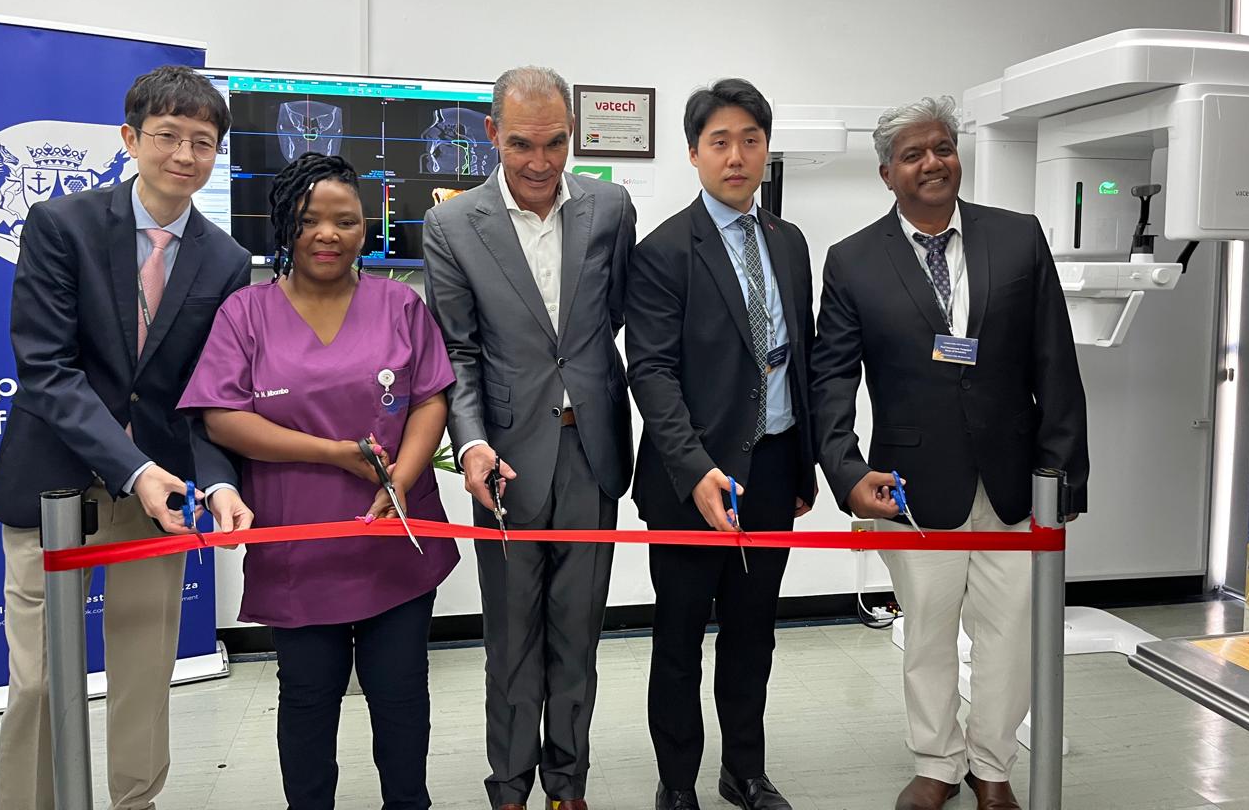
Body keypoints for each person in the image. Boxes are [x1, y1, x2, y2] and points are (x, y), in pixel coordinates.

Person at [0, 65, 254, 810]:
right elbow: (46, 369)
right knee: (39, 679)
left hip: (161, 500)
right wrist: (134, 468)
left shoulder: (228, 262)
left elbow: (209, 396)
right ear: (130, 138)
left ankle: (136, 802)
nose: (184, 154)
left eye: (202, 141)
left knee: (143, 674)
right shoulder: (60, 225)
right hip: (55, 486)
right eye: (167, 135)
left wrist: (222, 481)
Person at [810, 96, 1089, 810]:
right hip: (909, 485)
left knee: (1010, 638)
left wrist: (1064, 476)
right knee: (927, 634)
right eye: (914, 153)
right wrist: (845, 472)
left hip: (1015, 483)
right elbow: (831, 378)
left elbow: (1054, 361)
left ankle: (991, 768)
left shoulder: (1018, 239)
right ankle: (937, 761)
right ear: (886, 172)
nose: (933, 163)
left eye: (942, 147)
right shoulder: (852, 261)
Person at [178, 153, 459, 810]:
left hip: (395, 546)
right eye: (310, 221)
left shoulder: (400, 305)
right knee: (307, 699)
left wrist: (402, 483)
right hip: (299, 551)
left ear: (367, 230)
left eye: (345, 221)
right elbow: (221, 418)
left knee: (400, 698)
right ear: (286, 228)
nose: (328, 234)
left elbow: (429, 400)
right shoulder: (246, 314)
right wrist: (334, 454)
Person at [422, 66, 636, 810]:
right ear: (491, 135)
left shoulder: (609, 207)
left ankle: (567, 785)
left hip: (592, 448)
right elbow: (458, 351)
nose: (542, 162)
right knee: (512, 639)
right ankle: (509, 787)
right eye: (522, 144)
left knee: (578, 633)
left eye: (556, 143)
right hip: (505, 457)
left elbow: (617, 321)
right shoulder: (452, 225)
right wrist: (472, 442)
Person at [625, 78, 817, 810]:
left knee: (753, 633)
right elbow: (652, 372)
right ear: (694, 153)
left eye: (751, 140)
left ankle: (745, 771)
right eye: (720, 142)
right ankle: (678, 783)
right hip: (688, 480)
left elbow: (796, 355)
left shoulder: (789, 242)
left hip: (770, 469)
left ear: (766, 150)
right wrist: (696, 467)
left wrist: (802, 464)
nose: (736, 156)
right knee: (678, 641)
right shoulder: (665, 250)